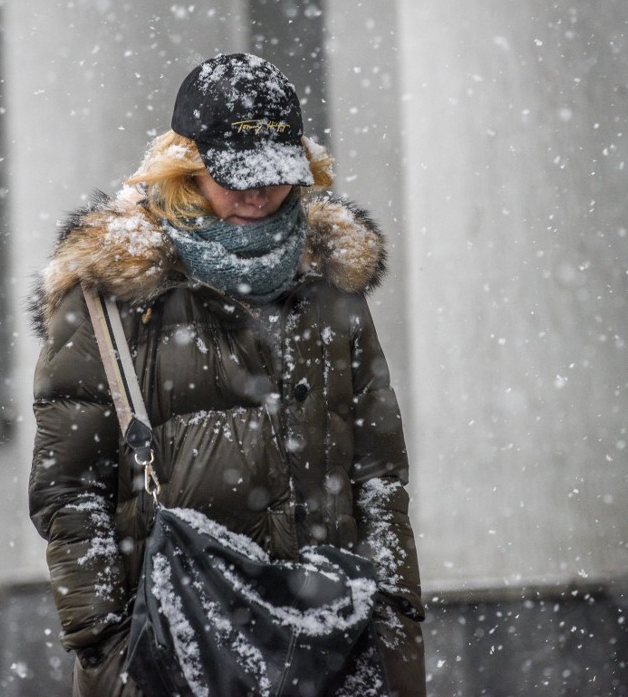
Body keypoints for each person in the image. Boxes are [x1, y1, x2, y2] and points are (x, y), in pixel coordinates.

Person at [28, 52, 426, 697]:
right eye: (233, 174)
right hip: (178, 647)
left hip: (333, 644)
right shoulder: (111, 299)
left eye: (273, 173)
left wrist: (396, 626)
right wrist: (107, 647)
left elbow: (378, 480)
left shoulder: (330, 289)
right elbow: (69, 491)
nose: (255, 193)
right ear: (185, 167)